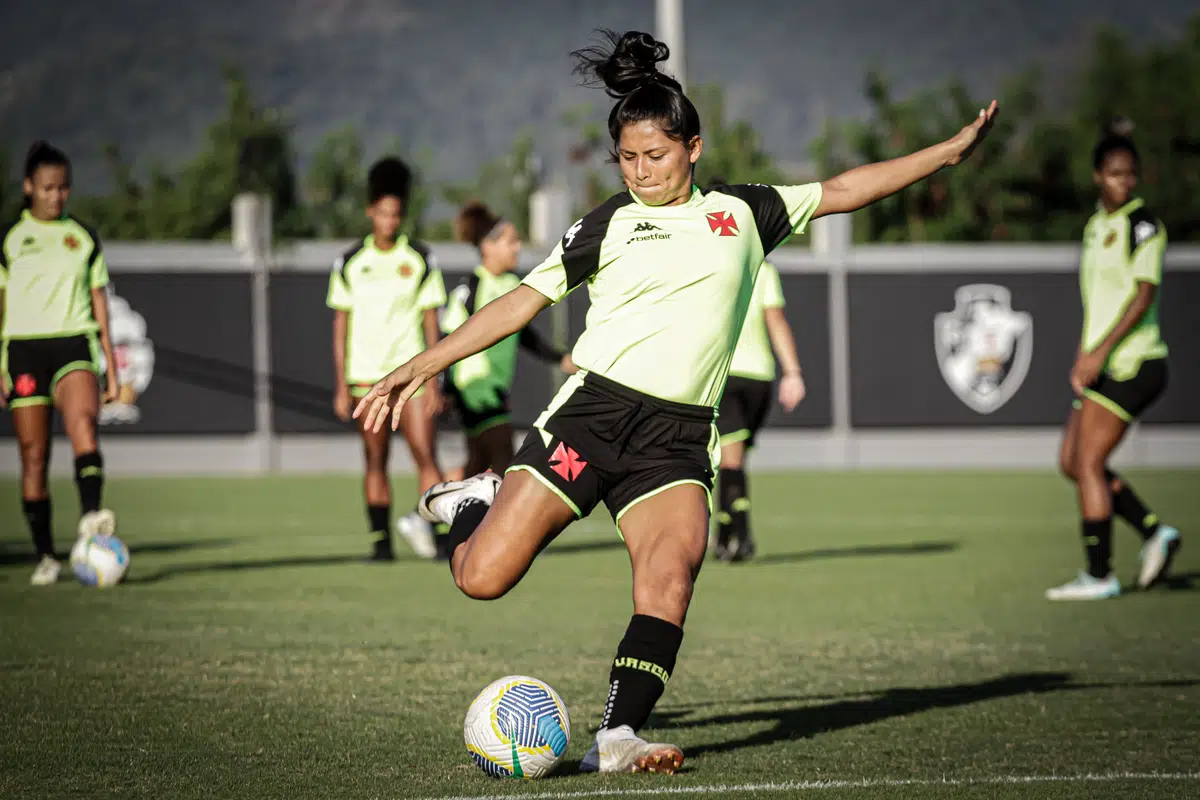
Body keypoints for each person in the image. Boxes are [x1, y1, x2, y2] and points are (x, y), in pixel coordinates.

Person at [355, 30, 996, 774]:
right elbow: (520, 304)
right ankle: (474, 501)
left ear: (693, 146)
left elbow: (849, 188)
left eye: (655, 156)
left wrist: (945, 153)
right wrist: (417, 364)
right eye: (626, 159)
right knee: (481, 579)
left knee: (670, 576)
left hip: (678, 437)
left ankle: (618, 736)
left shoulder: (747, 214)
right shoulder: (606, 223)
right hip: (590, 418)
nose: (640, 172)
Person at [1045, 128, 1180, 601]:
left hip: (1134, 364)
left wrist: (1099, 353)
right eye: (1115, 174)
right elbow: (1098, 301)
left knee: (1088, 462)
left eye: (1131, 174)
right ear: (1097, 176)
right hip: (1100, 365)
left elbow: (1143, 297)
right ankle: (1153, 531)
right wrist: (1086, 356)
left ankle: (1099, 574)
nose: (1125, 182)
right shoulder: (1094, 227)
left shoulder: (1144, 227)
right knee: (1071, 462)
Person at [1, 141, 120, 585]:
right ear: (30, 186)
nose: (57, 196)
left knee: (84, 425)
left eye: (64, 188)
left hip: (73, 344)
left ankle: (92, 517)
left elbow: (100, 303)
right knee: (34, 456)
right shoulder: (10, 239)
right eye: (49, 187)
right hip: (25, 349)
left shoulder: (82, 239)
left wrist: (111, 362)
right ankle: (46, 554)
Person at [328, 156, 446, 561]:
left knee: (426, 455)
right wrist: (341, 384)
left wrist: (434, 378)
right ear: (370, 213)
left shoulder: (419, 258)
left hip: (412, 378)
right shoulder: (349, 263)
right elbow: (340, 327)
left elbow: (432, 321)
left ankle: (435, 531)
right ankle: (381, 543)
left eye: (396, 215)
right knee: (375, 460)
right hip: (366, 380)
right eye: (383, 214)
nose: (390, 222)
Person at [442, 201, 575, 477]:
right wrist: (446, 389)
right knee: (504, 456)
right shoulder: (472, 287)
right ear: (488, 246)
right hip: (474, 386)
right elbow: (448, 338)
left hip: (496, 387)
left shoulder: (513, 284)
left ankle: (427, 511)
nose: (517, 248)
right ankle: (501, 518)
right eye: (510, 241)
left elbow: (523, 333)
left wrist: (558, 357)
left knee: (477, 465)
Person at [709, 222, 806, 562]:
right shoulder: (763, 268)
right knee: (733, 458)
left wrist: (793, 373)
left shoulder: (707, 266)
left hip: (726, 375)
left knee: (730, 459)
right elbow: (776, 321)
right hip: (759, 379)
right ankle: (726, 536)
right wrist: (792, 372)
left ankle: (740, 535)